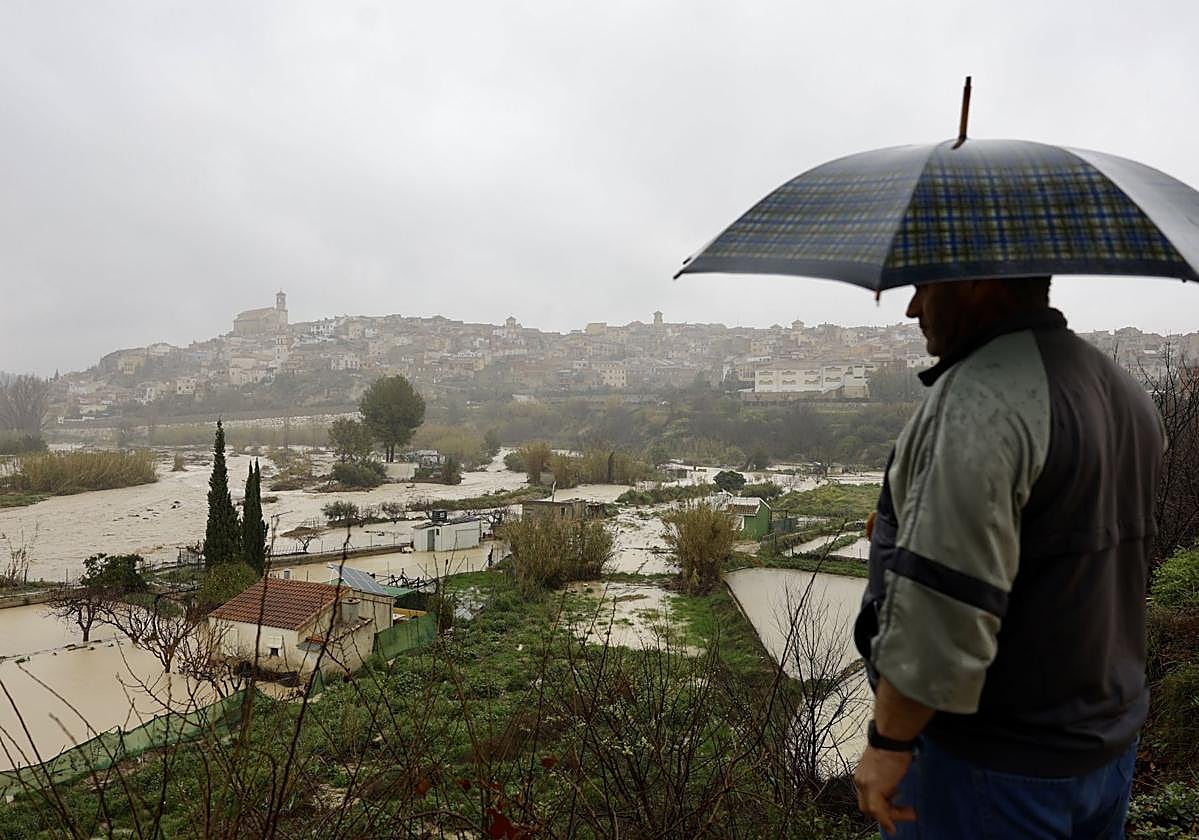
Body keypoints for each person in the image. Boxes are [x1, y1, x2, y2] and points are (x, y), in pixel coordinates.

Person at [852, 276, 1164, 839]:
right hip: (1103, 747)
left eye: (924, 286)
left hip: (989, 766)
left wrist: (889, 740)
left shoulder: (981, 398)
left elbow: (943, 605)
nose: (913, 308)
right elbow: (1065, 546)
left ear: (976, 283)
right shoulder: (1120, 389)